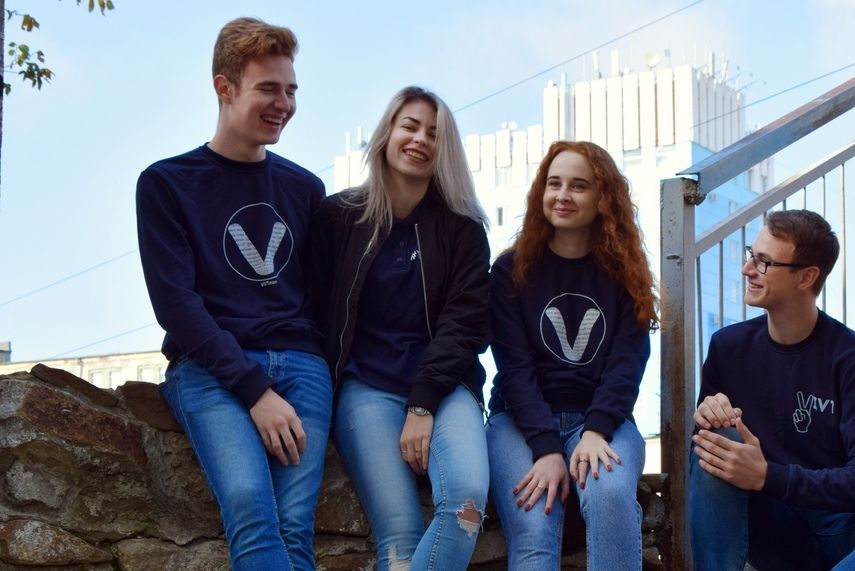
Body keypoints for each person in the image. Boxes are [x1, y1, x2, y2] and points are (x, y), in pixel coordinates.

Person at [136, 17, 330, 570]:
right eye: (268, 89)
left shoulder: (305, 189)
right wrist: (253, 389)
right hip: (210, 369)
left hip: (303, 368)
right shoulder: (166, 184)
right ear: (224, 87)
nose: (284, 104)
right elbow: (176, 305)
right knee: (250, 509)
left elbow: (321, 298)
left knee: (295, 528)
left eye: (291, 90)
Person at [687, 210, 855, 571]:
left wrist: (768, 475)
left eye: (764, 262)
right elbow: (705, 469)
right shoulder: (728, 348)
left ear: (806, 277)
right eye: (751, 255)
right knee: (714, 442)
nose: (747, 269)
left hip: (842, 531)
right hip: (769, 532)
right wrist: (708, 415)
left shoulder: (854, 359)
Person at [309, 86, 491, 571]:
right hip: (366, 388)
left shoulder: (463, 229)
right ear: (387, 133)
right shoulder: (338, 217)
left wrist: (422, 403)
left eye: (434, 133)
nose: (420, 139)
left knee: (466, 503)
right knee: (400, 534)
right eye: (410, 126)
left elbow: (467, 324)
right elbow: (313, 309)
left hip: (446, 388)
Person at [486, 140, 656, 570]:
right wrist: (546, 448)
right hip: (520, 423)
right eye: (554, 183)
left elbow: (627, 364)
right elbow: (515, 369)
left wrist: (596, 431)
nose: (562, 195)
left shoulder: (624, 275)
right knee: (536, 521)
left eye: (578, 186)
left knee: (610, 494)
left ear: (603, 199)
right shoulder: (509, 271)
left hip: (602, 421)